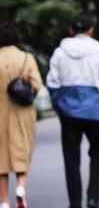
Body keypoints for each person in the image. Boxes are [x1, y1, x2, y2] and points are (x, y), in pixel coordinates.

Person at [47, 15, 99, 208]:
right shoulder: (98, 51)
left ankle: (74, 203)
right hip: (94, 112)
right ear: (91, 30)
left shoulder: (60, 52)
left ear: (71, 31)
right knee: (98, 152)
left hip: (68, 113)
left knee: (71, 158)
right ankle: (93, 199)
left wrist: (59, 104)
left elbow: (52, 83)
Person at [0, 23, 43, 208]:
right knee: (22, 150)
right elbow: (37, 85)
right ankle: (20, 188)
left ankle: (4, 201)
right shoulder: (26, 58)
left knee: (1, 157)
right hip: (22, 113)